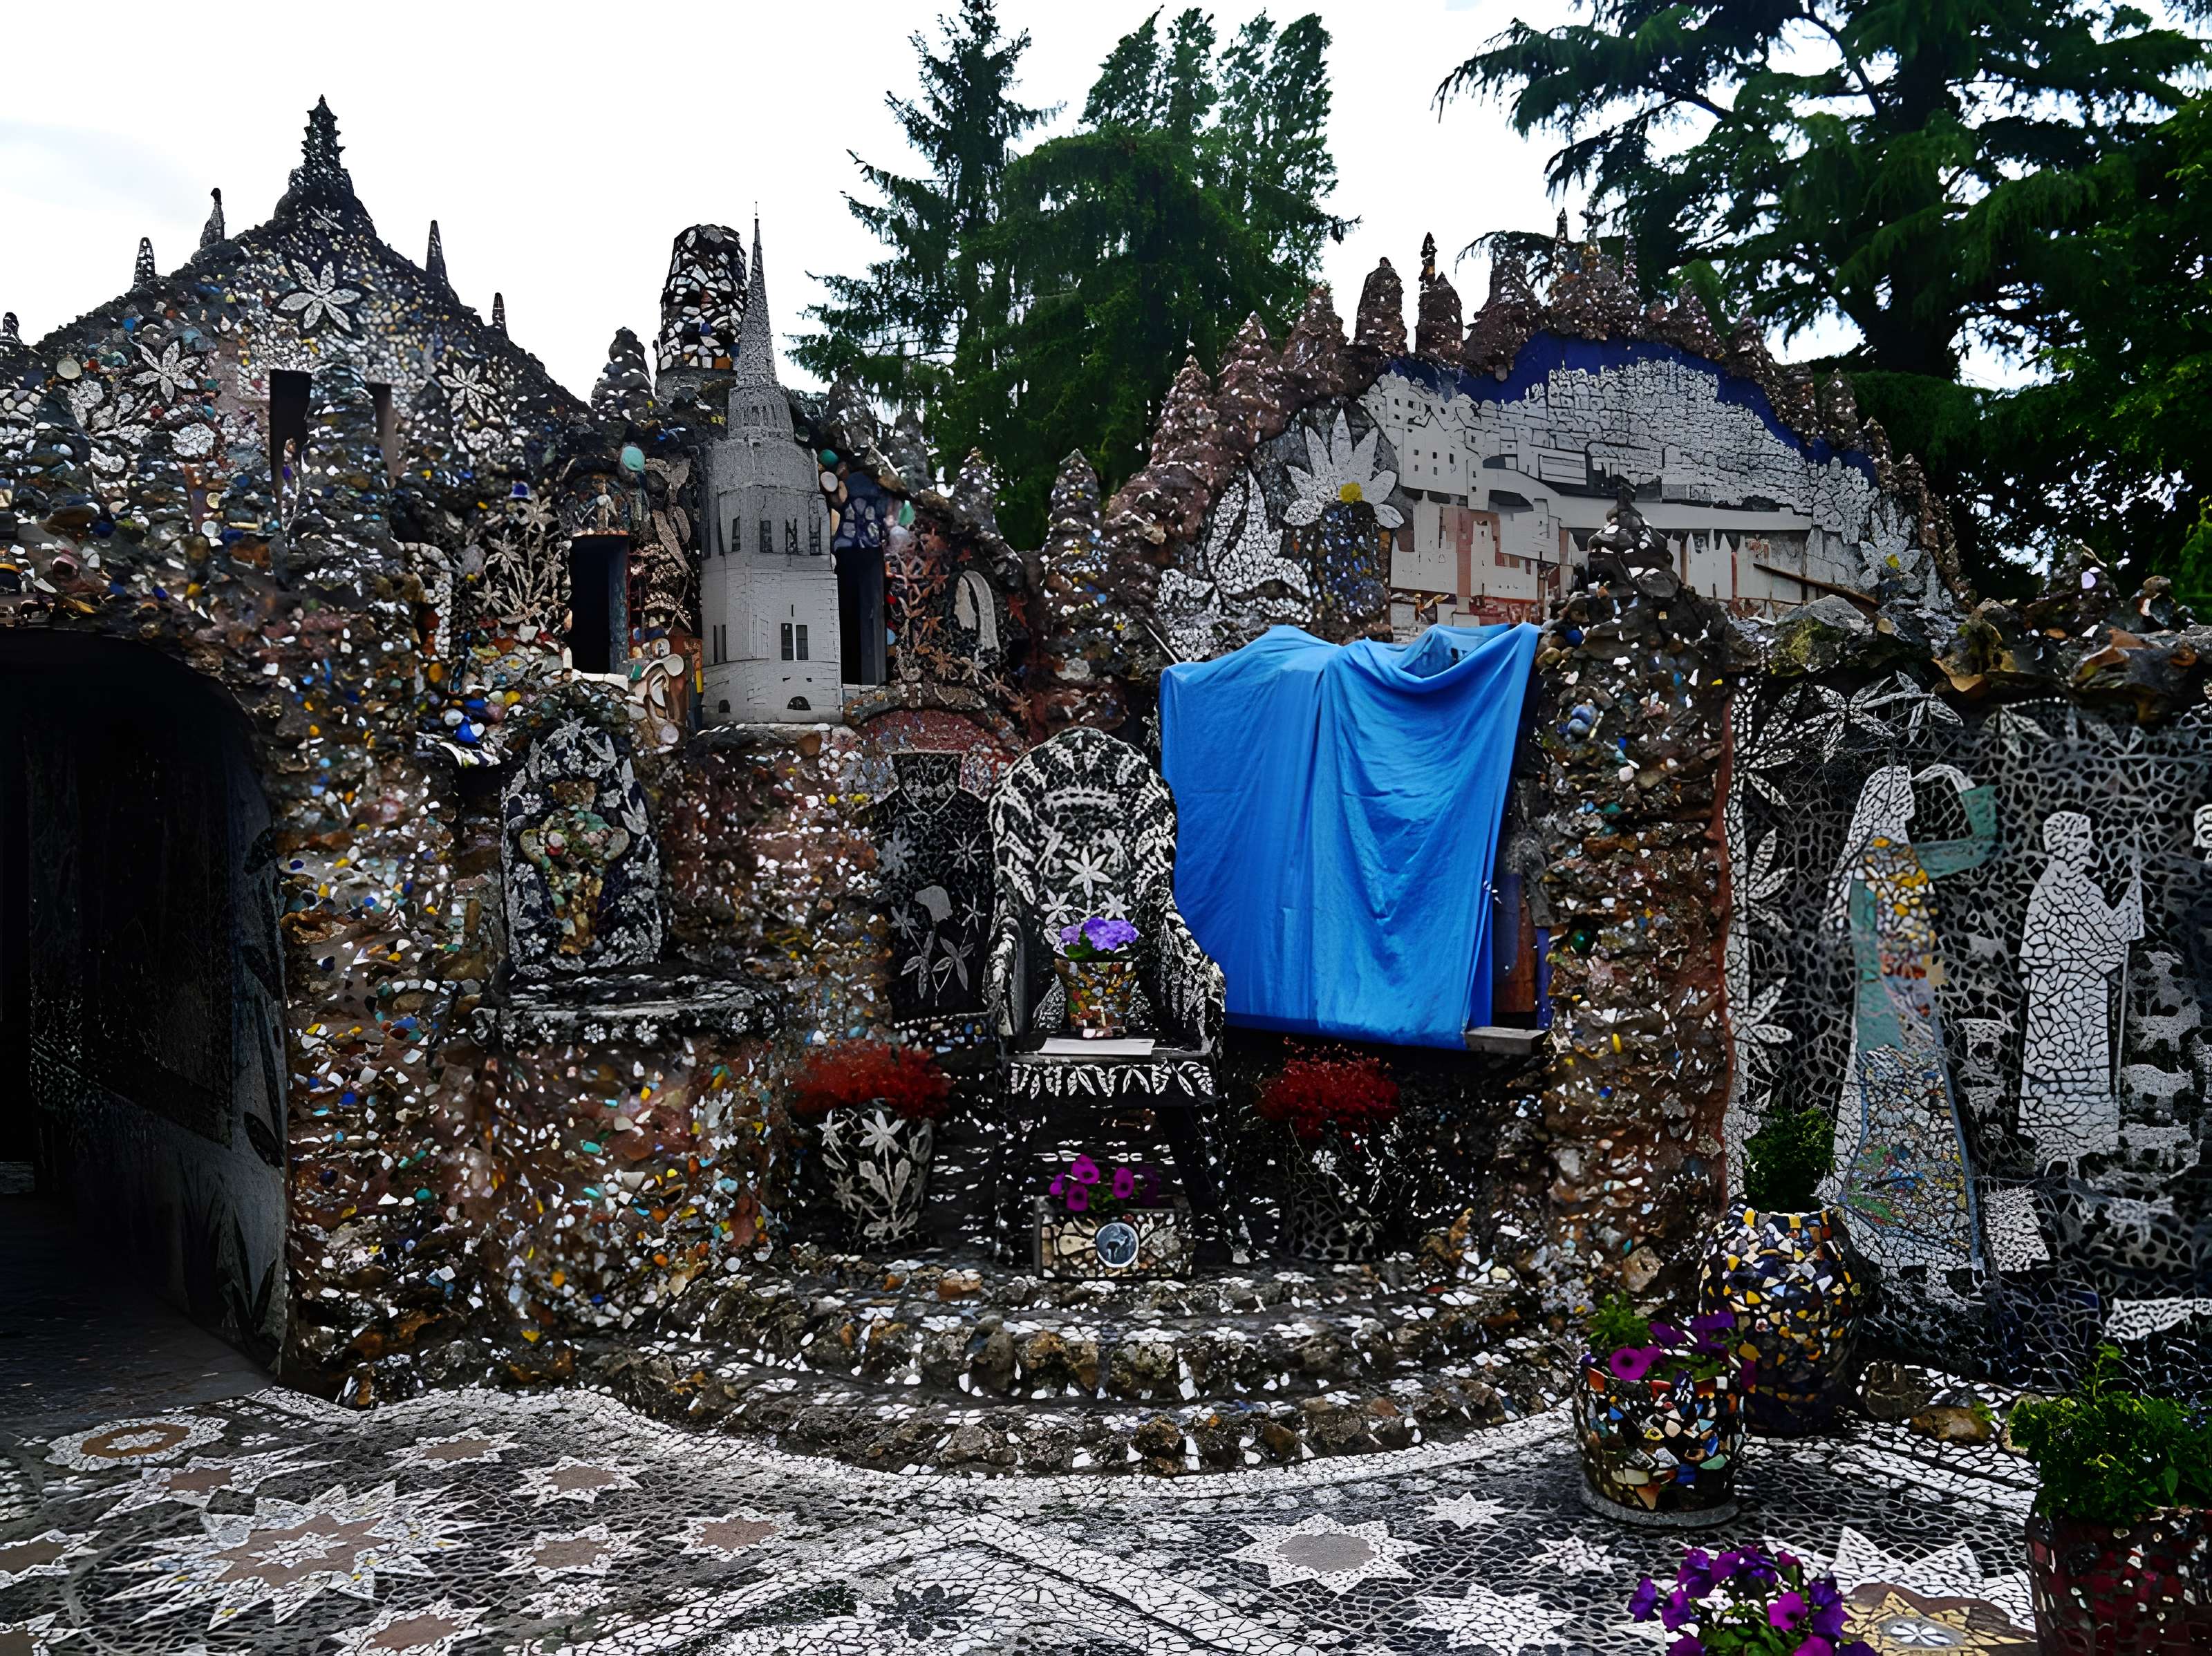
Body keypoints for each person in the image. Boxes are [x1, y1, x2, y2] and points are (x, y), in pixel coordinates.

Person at [1823, 763, 1998, 1274]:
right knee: (1909, 1124)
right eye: (1903, 798)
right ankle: (1907, 1236)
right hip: (1896, 1013)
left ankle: (1900, 1236)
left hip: (1897, 1007)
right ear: (1885, 806)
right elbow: (1978, 846)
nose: (1912, 806)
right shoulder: (1894, 864)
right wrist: (1967, 785)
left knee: (1906, 1123)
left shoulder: (1873, 866)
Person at [2018, 811, 2143, 1165]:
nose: (2090, 844)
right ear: (2068, 844)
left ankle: (2075, 1146)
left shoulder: (2077, 889)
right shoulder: (2060, 890)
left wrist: (2131, 900)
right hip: (2063, 1001)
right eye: (2084, 837)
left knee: (2078, 1065)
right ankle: (2061, 1145)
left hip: (2078, 997)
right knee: (2064, 1065)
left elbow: (2106, 936)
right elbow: (2106, 937)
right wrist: (2131, 901)